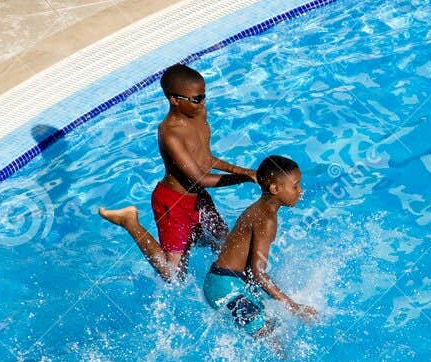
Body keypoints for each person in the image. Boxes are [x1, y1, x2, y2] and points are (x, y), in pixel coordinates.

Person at [97, 63, 258, 282]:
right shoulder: (169, 133)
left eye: (203, 96)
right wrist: (244, 178)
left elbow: (205, 159)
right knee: (173, 275)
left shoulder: (199, 114)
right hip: (173, 204)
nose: (203, 103)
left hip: (198, 199)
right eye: (196, 99)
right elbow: (199, 177)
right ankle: (130, 222)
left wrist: (245, 171)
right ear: (174, 100)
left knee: (230, 250)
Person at [202, 155, 317, 341]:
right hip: (225, 288)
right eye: (295, 186)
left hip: (226, 281)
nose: (300, 191)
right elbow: (258, 272)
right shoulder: (266, 219)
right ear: (275, 188)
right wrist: (293, 306)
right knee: (269, 339)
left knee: (272, 326)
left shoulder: (260, 209)